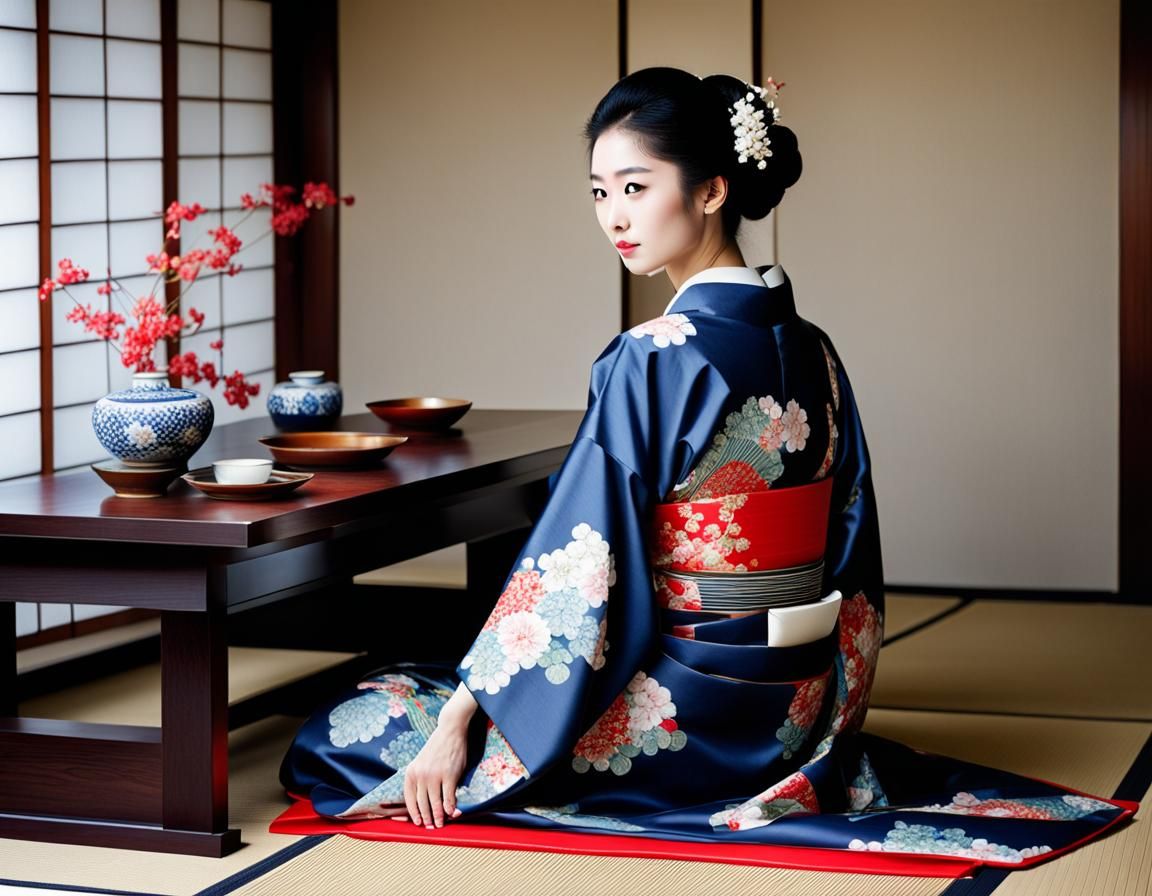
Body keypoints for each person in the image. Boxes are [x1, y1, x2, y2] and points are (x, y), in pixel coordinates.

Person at [279, 67, 1132, 870]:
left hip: (685, 711)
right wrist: (828, 713)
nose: (616, 214)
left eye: (637, 187)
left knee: (353, 724)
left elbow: (582, 556)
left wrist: (466, 713)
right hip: (791, 712)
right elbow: (851, 536)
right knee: (424, 687)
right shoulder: (812, 347)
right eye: (600, 192)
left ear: (712, 190)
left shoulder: (651, 357)